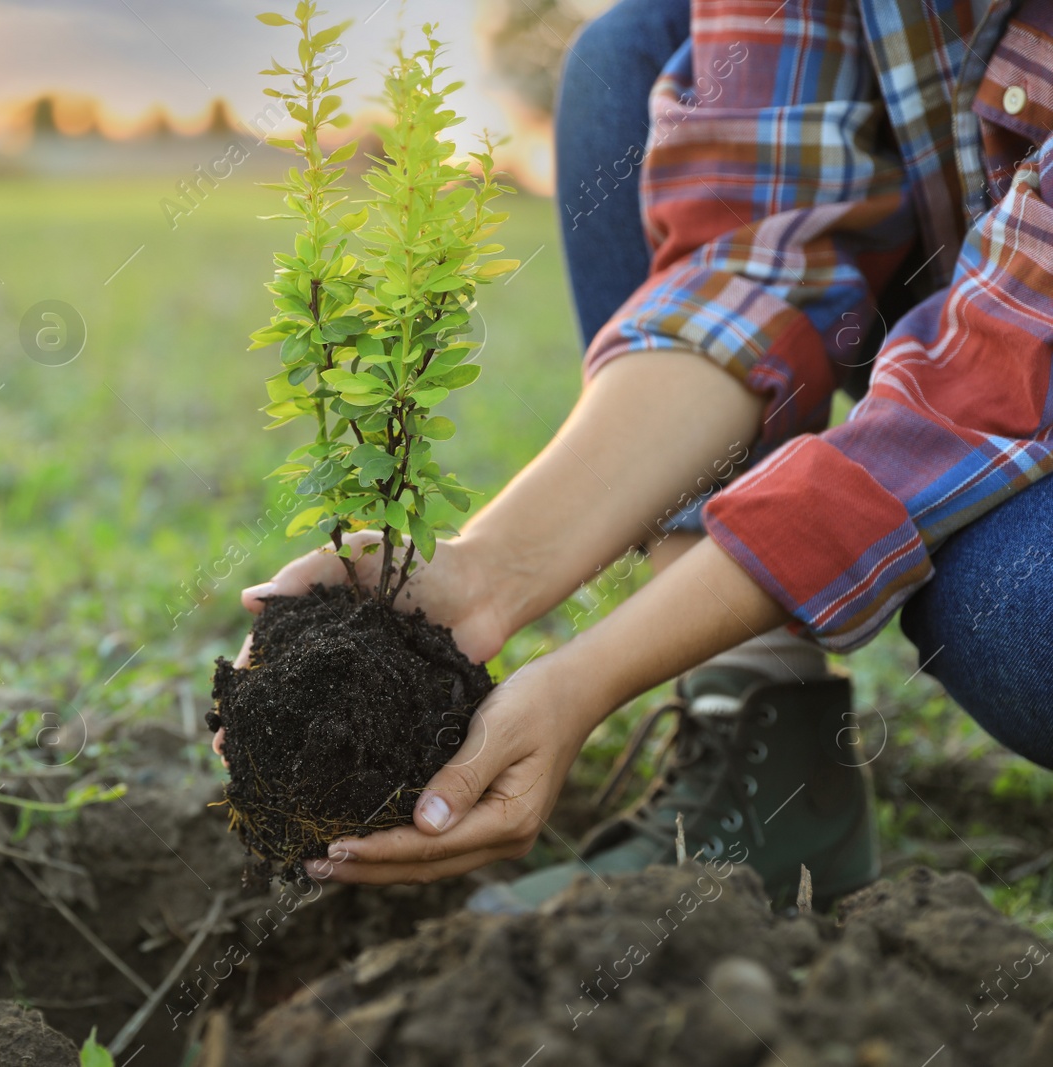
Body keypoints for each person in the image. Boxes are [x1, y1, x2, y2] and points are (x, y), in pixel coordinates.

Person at [220, 0, 1053, 907]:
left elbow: (985, 385)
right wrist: (486, 575)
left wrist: (589, 678)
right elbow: (750, 276)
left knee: (1007, 606)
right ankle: (758, 745)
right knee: (636, 55)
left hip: (1014, 363)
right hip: (978, 334)